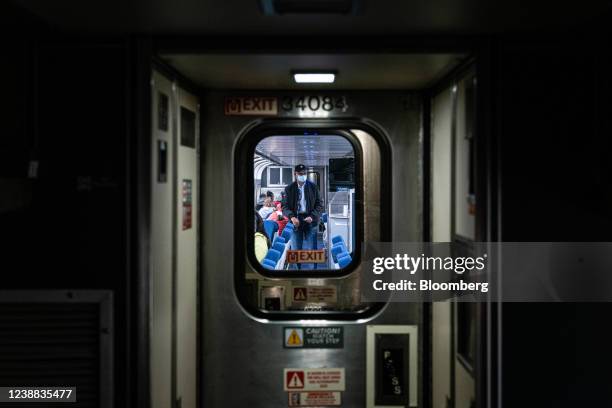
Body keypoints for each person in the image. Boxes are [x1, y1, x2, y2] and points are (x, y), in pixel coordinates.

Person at [281, 164, 323, 269]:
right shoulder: (289, 189)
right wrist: (292, 217)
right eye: (300, 174)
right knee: (296, 251)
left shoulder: (313, 187)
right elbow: (284, 207)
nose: (302, 176)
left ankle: (312, 274)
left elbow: (319, 204)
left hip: (310, 220)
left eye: (304, 174)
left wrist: (312, 216)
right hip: (296, 220)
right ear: (295, 174)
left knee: (311, 251)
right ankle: (297, 274)